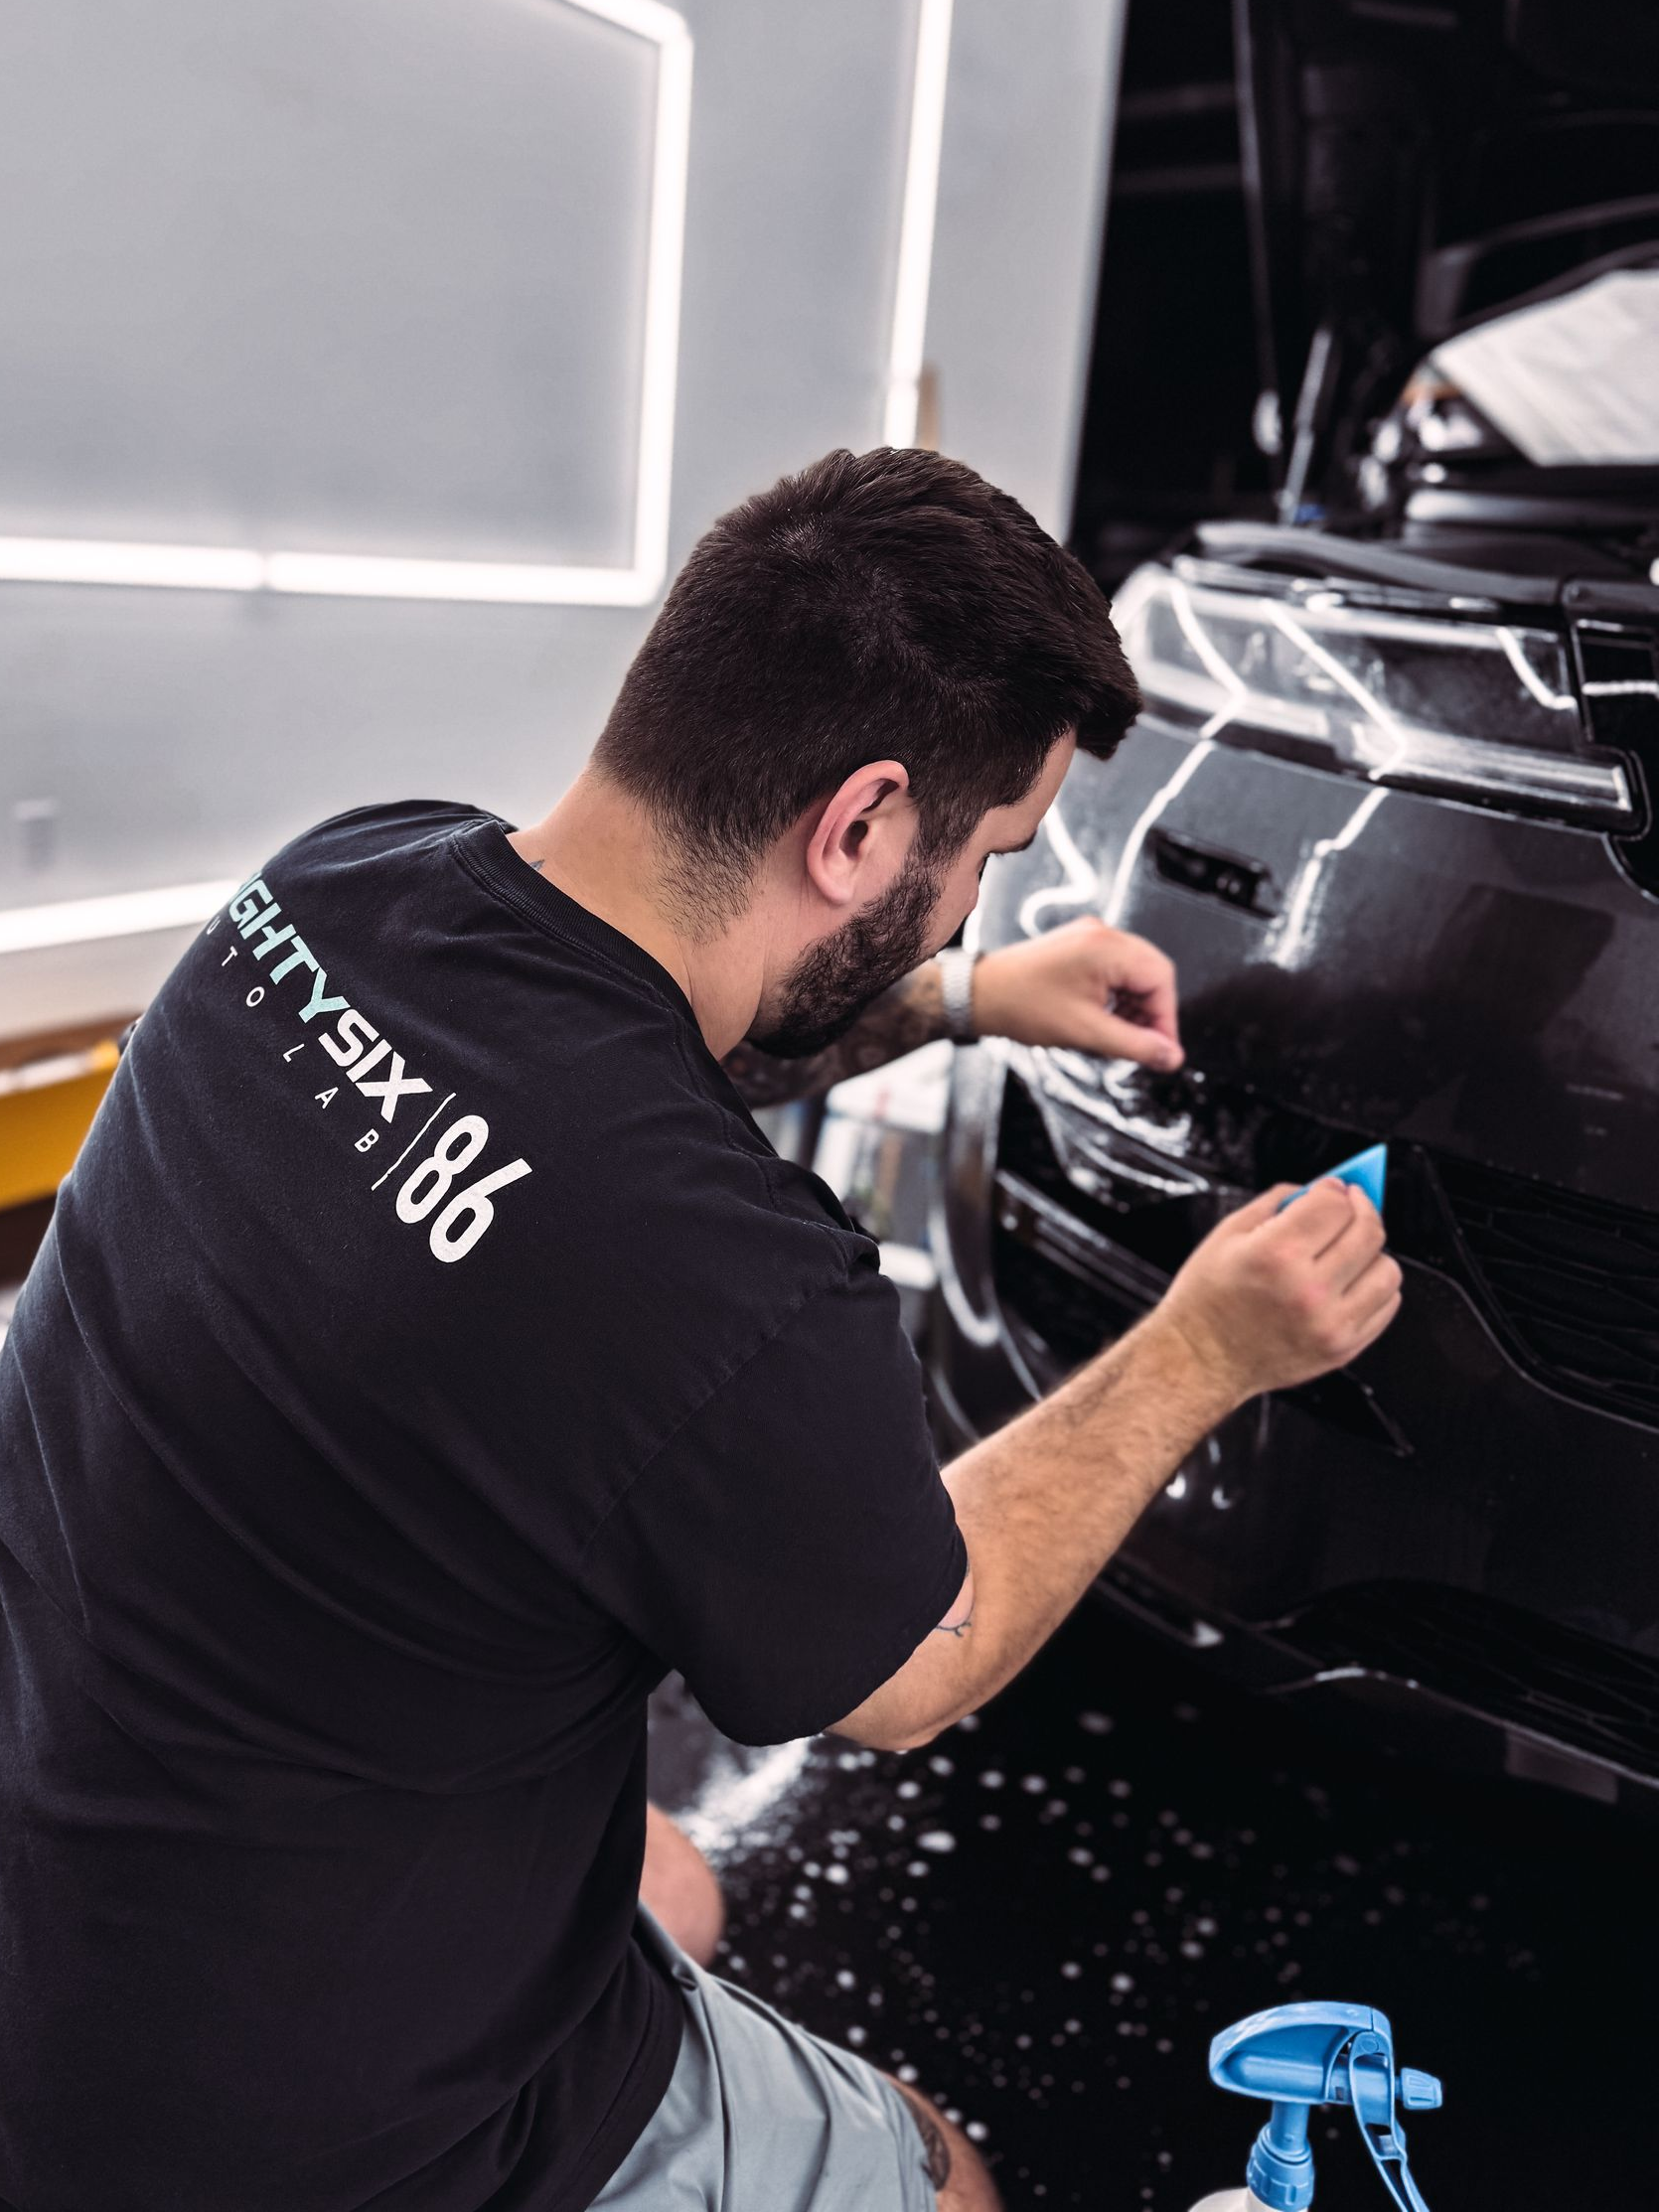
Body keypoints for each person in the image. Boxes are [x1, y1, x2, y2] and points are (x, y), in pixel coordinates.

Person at [0, 448, 1401, 2212]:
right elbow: (921, 1659)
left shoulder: (333, 885)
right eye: (984, 859)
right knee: (939, 2174)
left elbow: (606, 1053)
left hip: (65, 1844)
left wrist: (965, 995)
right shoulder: (736, 1290)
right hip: (259, 2136)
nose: (974, 901)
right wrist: (1207, 1346)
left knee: (672, 1885)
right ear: (862, 825)